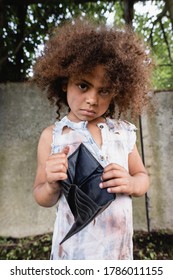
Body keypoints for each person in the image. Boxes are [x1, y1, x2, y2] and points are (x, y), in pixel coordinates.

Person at [32, 18, 153, 260]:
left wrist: (131, 182)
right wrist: (51, 185)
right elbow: (40, 195)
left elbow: (142, 177)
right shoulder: (52, 136)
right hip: (73, 252)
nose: (92, 99)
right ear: (65, 84)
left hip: (117, 253)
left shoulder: (122, 132)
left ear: (117, 91)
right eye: (83, 86)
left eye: (104, 90)